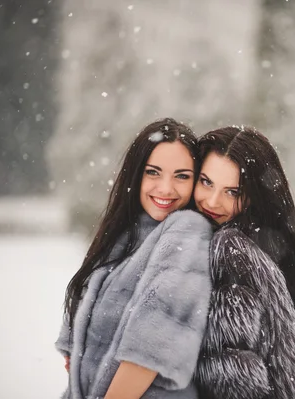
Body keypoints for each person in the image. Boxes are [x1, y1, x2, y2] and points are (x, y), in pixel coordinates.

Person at [55, 118, 213, 399]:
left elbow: (149, 351)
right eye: (153, 172)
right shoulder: (125, 235)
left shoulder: (188, 232)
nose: (165, 189)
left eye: (181, 176)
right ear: (136, 174)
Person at [192, 126, 295, 399]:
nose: (212, 201)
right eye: (206, 182)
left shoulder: (230, 252)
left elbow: (231, 380)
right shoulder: (269, 248)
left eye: (232, 192)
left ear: (254, 195)